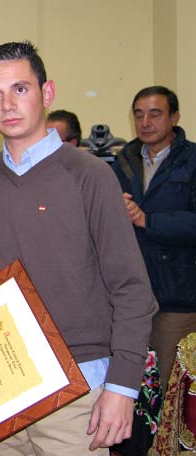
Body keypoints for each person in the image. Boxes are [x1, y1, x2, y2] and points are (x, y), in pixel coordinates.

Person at [0, 41, 157, 456]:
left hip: (76, 386)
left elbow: (131, 289)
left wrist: (122, 387)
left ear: (46, 93)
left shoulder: (91, 175)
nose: (6, 104)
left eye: (20, 89)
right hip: (5, 387)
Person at [112, 85, 196, 389]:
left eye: (155, 114)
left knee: (173, 391)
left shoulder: (193, 160)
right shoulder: (122, 162)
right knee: (132, 389)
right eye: (139, 114)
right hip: (132, 295)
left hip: (178, 296)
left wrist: (147, 220)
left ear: (174, 117)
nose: (145, 122)